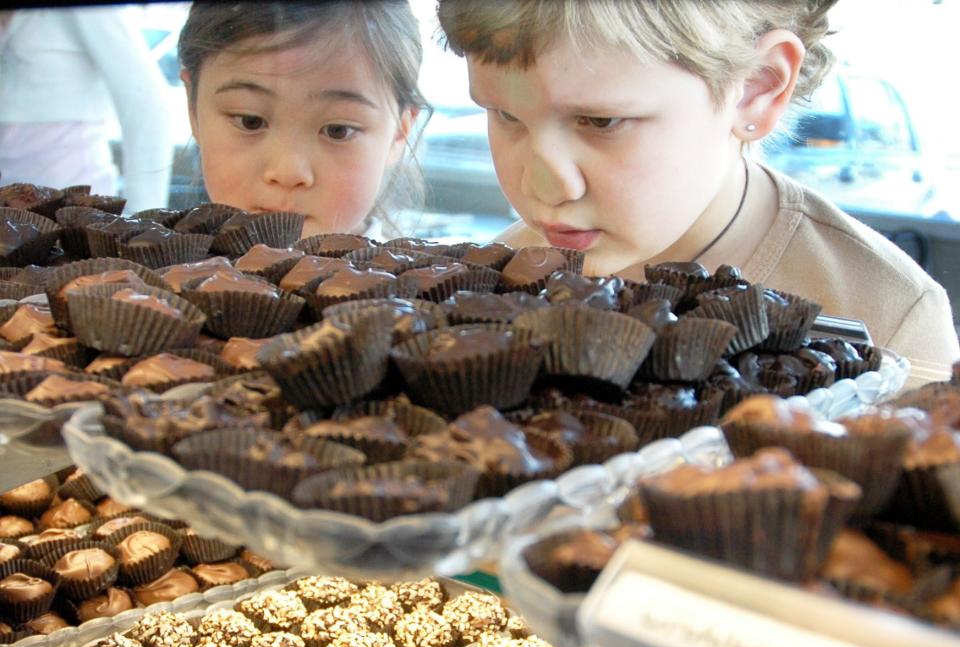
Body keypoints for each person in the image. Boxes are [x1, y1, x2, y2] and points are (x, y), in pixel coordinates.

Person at [436, 0, 958, 368]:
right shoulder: (493, 281)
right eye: (504, 114)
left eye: (600, 121)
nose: (545, 188)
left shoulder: (890, 317)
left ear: (756, 88)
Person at [177, 1, 426, 239]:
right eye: (249, 121)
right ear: (193, 108)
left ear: (399, 132)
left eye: (337, 131)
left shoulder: (413, 282)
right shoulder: (153, 275)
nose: (288, 173)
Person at [0, 5, 173, 214]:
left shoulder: (90, 13)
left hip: (74, 215)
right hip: (9, 216)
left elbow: (146, 100)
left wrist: (141, 216)